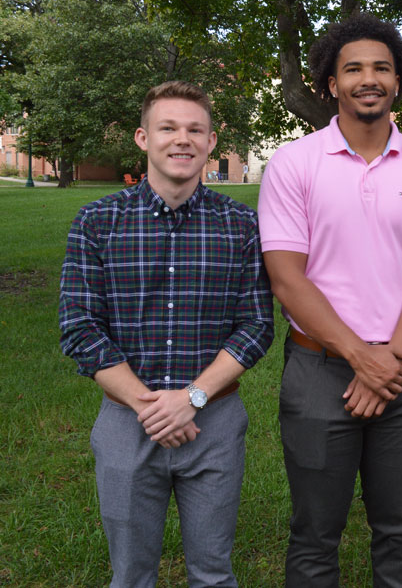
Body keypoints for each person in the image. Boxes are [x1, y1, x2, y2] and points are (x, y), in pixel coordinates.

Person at [257, 13, 402, 587]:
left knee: (399, 528)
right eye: (353, 69)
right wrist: (360, 358)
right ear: (331, 82)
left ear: (398, 82)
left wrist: (389, 361)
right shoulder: (294, 164)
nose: (367, 79)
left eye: (381, 68)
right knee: (314, 533)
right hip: (319, 371)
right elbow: (288, 280)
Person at [59, 80, 275, 587]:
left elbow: (257, 325)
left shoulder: (241, 226)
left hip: (214, 422)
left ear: (211, 142)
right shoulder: (97, 222)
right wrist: (151, 407)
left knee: (213, 574)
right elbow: (80, 328)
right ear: (142, 137)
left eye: (194, 129)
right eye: (168, 128)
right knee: (131, 575)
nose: (182, 139)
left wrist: (192, 398)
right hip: (125, 422)